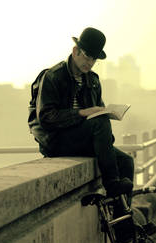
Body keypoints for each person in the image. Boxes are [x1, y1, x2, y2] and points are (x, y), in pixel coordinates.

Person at [28, 27, 134, 199]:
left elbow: (97, 118)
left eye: (94, 59)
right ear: (75, 51)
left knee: (126, 161)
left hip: (82, 140)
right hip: (56, 142)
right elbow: (46, 118)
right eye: (87, 56)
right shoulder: (53, 77)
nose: (90, 62)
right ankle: (112, 184)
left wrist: (106, 114)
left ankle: (122, 220)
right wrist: (83, 113)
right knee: (99, 123)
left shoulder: (93, 80)